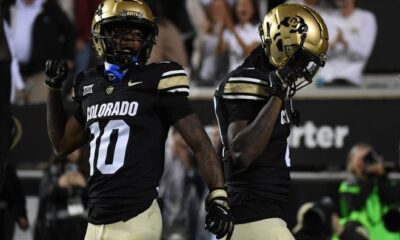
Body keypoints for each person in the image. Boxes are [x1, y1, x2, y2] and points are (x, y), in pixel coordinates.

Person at [44, 1, 233, 240]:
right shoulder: (90, 84)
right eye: (122, 33)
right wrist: (52, 90)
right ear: (102, 34)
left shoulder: (157, 79)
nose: (131, 41)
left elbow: (200, 143)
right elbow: (61, 144)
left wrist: (218, 195)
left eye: (137, 34)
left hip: (136, 216)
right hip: (95, 220)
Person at [214, 3, 329, 239]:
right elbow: (240, 152)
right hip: (253, 216)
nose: (303, 69)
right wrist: (277, 94)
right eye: (300, 59)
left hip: (261, 215)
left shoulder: (268, 81)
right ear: (280, 44)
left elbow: (223, 149)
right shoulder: (247, 80)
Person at [339, 143, 400, 240]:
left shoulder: (384, 181)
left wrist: (381, 176)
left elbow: (393, 199)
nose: (363, 163)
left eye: (367, 159)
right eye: (359, 159)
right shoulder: (348, 186)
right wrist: (367, 178)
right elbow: (355, 206)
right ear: (352, 162)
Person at [315, 0, 377, 86]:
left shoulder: (366, 18)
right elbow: (319, 55)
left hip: (351, 80)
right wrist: (332, 46)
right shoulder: (326, 17)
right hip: (325, 80)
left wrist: (347, 44)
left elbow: (363, 53)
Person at [34, 148, 88, 240]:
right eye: (71, 148)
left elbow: (99, 200)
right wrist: (58, 185)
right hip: (55, 229)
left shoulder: (88, 171)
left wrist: (84, 185)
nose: (73, 152)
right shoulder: (53, 170)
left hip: (81, 229)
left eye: (77, 148)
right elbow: (43, 195)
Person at [216, 0, 260, 72]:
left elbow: (249, 53)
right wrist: (222, 26)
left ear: (253, 9)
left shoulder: (258, 29)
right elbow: (219, 51)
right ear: (235, 9)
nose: (243, 7)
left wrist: (233, 30)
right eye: (240, 5)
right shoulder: (231, 30)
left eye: (246, 5)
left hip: (250, 76)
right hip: (232, 76)